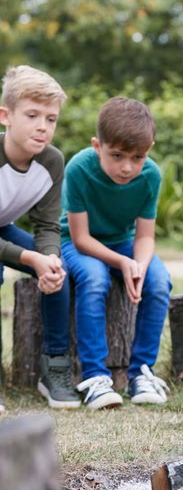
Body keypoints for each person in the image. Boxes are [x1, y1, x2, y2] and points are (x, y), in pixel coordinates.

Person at [60, 97, 172, 410]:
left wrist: (138, 265)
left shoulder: (150, 175)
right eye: (117, 155)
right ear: (98, 146)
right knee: (95, 279)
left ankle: (141, 373)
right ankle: (95, 377)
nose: (127, 167)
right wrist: (122, 262)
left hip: (123, 242)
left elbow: (146, 236)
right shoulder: (80, 168)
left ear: (149, 149)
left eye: (138, 157)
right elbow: (81, 238)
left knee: (159, 281)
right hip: (76, 242)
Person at [0, 65, 79, 412]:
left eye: (51, 119)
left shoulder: (51, 162)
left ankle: (55, 368)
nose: (42, 126)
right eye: (32, 115)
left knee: (56, 270)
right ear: (6, 116)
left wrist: (46, 260)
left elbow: (47, 226)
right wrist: (29, 257)